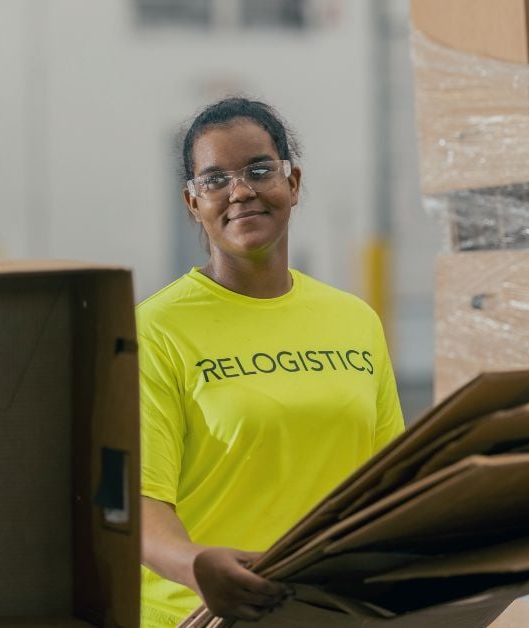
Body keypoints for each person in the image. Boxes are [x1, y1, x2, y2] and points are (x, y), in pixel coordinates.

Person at [137, 97, 406, 627]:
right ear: (193, 203)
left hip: (323, 613)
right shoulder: (155, 331)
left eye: (260, 170)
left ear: (293, 183)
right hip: (200, 616)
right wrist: (197, 567)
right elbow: (136, 508)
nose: (240, 192)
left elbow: (389, 484)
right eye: (214, 180)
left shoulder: (354, 321)